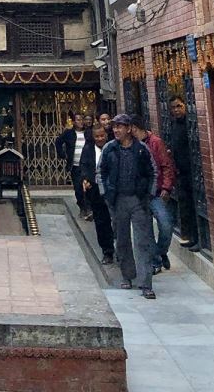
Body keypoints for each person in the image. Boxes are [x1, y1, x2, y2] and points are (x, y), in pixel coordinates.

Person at [100, 113, 158, 299]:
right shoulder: (109, 149)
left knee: (143, 241)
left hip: (138, 199)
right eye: (114, 126)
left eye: (120, 126)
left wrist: (149, 194)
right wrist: (106, 193)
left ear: (129, 129)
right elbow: (100, 171)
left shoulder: (141, 149)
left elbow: (152, 172)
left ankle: (146, 282)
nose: (116, 130)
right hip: (118, 199)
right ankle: (127, 275)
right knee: (122, 239)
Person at [131, 115, 175, 273]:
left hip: (156, 193)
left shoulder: (155, 142)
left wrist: (166, 187)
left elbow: (166, 165)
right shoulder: (131, 145)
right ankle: (156, 262)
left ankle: (161, 252)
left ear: (135, 128)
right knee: (147, 230)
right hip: (140, 194)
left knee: (166, 225)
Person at [80, 123, 115, 265]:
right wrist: (86, 179)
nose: (100, 139)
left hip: (113, 190)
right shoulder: (88, 149)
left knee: (117, 222)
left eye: (102, 136)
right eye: (97, 136)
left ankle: (120, 248)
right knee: (101, 222)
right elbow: (84, 166)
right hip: (96, 192)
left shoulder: (113, 148)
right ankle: (107, 251)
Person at [168, 96, 200, 249]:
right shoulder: (174, 124)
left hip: (193, 172)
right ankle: (188, 235)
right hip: (181, 172)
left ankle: (198, 238)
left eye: (179, 106)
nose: (176, 110)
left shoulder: (191, 123)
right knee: (185, 204)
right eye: (173, 107)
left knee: (195, 204)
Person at [55, 111, 90, 218]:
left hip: (87, 165)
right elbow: (58, 142)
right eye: (78, 120)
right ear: (74, 122)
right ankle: (82, 207)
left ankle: (88, 208)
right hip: (75, 166)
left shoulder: (88, 133)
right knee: (78, 188)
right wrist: (63, 155)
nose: (81, 122)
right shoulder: (68, 133)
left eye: (82, 119)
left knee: (88, 187)